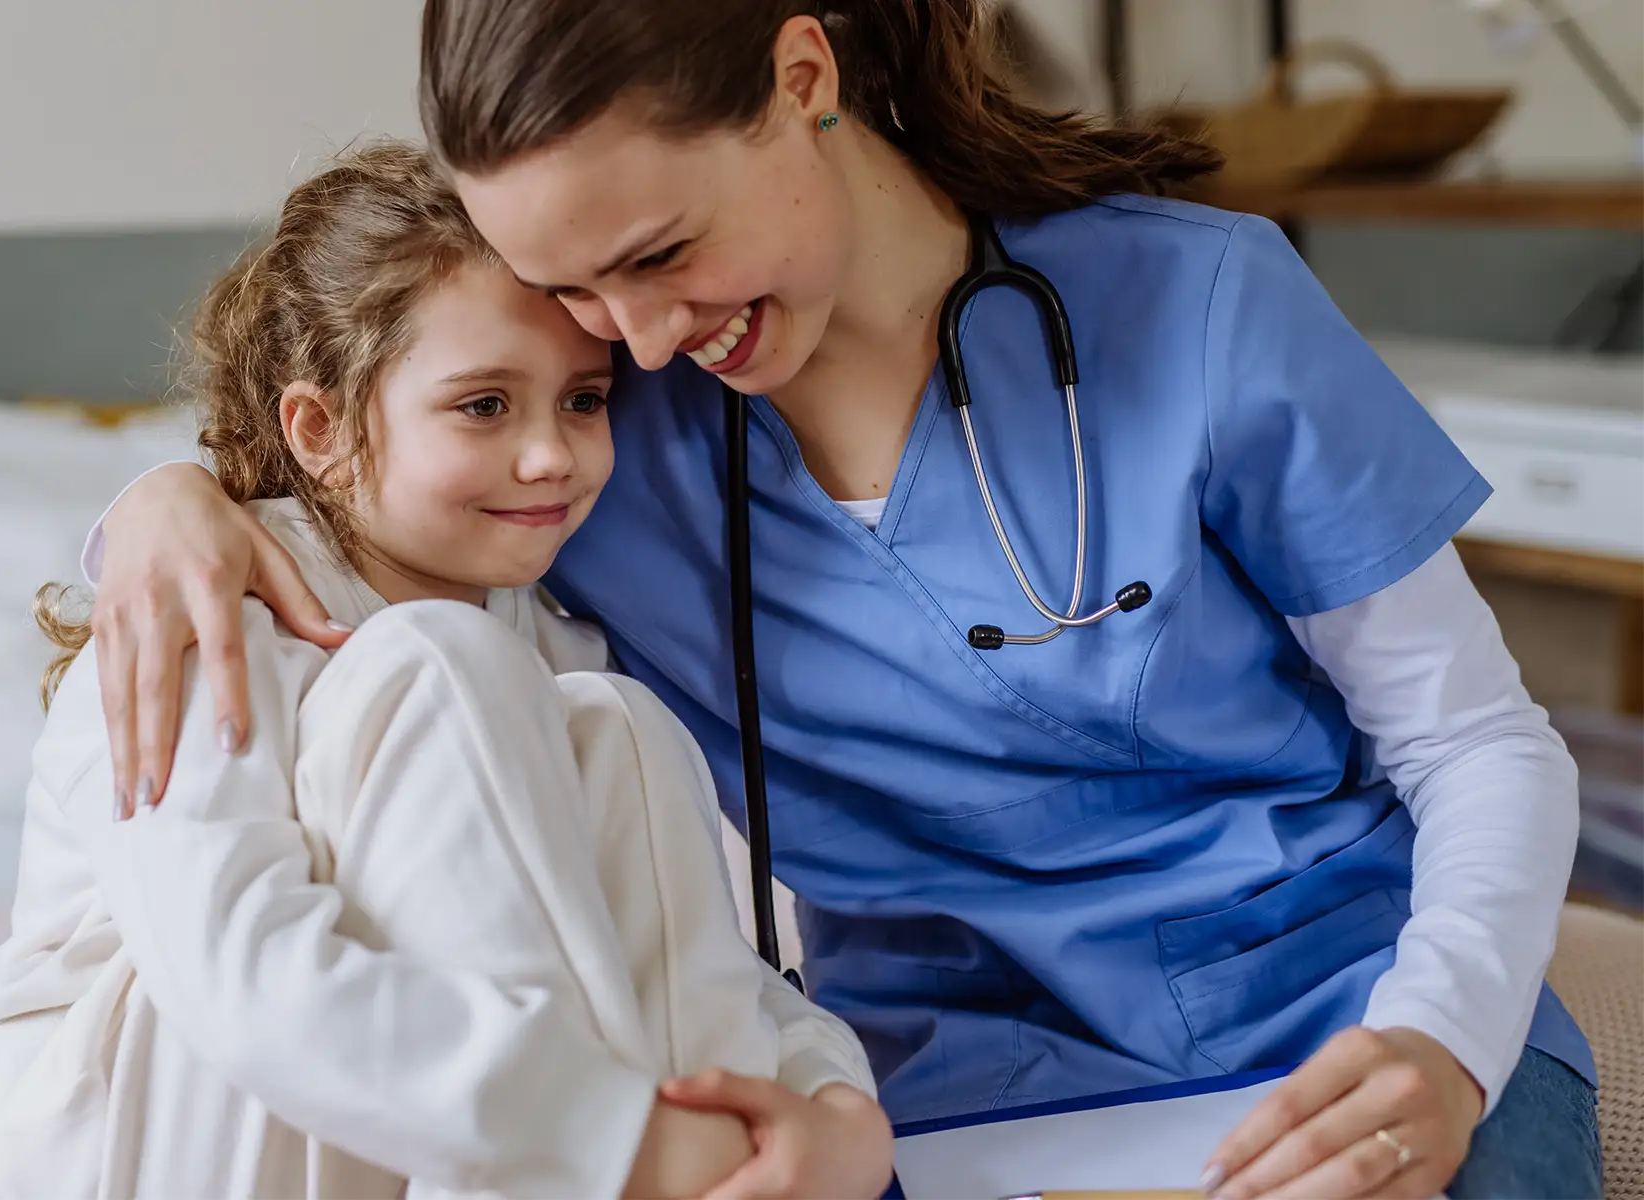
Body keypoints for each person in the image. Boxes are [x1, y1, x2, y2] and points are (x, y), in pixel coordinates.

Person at [80, 3, 1604, 1198]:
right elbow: (374, 479)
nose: (648, 337)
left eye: (662, 254)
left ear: (802, 73)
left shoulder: (1199, 306)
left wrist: (1446, 1042)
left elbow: (1480, 741)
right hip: (938, 1090)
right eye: (585, 299)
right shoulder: (604, 434)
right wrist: (165, 503)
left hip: (1343, 1015)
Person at [0, 140, 890, 1200]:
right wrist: (609, 1137)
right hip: (97, 1115)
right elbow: (239, 973)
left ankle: (738, 1161)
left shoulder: (544, 632)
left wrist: (832, 1104)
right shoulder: (206, 612)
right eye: (484, 406)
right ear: (319, 428)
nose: (550, 455)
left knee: (620, 726)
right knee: (441, 666)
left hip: (354, 1089)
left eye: (584, 401)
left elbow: (689, 936)